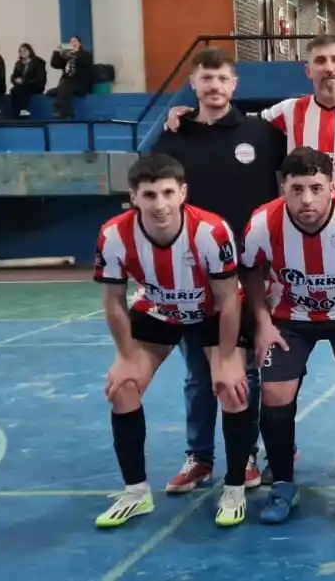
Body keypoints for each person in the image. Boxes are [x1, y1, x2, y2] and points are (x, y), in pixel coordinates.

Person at [166, 34, 335, 485]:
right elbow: (230, 124)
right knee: (248, 371)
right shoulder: (283, 115)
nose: (328, 68)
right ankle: (253, 455)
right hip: (291, 271)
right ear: (306, 71)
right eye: (319, 61)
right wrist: (185, 116)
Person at [92, 154, 252, 528]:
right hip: (161, 308)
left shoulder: (211, 232)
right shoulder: (114, 234)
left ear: (183, 193)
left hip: (213, 310)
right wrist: (125, 355)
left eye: (167, 193)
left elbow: (229, 297)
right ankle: (136, 493)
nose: (160, 204)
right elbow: (114, 301)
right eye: (149, 195)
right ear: (134, 196)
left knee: (231, 387)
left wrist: (227, 356)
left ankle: (234, 489)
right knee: (122, 388)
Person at [239, 147, 335, 524]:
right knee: (275, 392)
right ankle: (284, 485)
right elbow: (250, 271)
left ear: (331, 187)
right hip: (290, 318)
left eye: (315, 188)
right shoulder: (262, 223)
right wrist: (262, 323)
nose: (306, 199)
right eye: (296, 189)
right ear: (283, 187)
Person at [150, 47, 275, 494]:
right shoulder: (173, 135)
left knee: (247, 370)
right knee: (197, 372)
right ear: (193, 84)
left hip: (246, 271)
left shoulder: (261, 133)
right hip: (190, 275)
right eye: (206, 80)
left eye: (222, 79)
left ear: (234, 84)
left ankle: (250, 455)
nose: (215, 87)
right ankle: (199, 457)